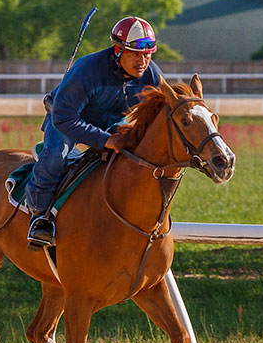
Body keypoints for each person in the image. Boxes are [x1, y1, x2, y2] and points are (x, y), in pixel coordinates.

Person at [24, 16, 165, 248]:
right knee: (55, 154)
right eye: (135, 54)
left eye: (148, 54)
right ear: (118, 50)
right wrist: (106, 140)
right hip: (67, 120)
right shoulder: (87, 70)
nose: (143, 61)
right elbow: (63, 118)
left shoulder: (151, 75)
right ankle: (39, 216)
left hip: (109, 124)